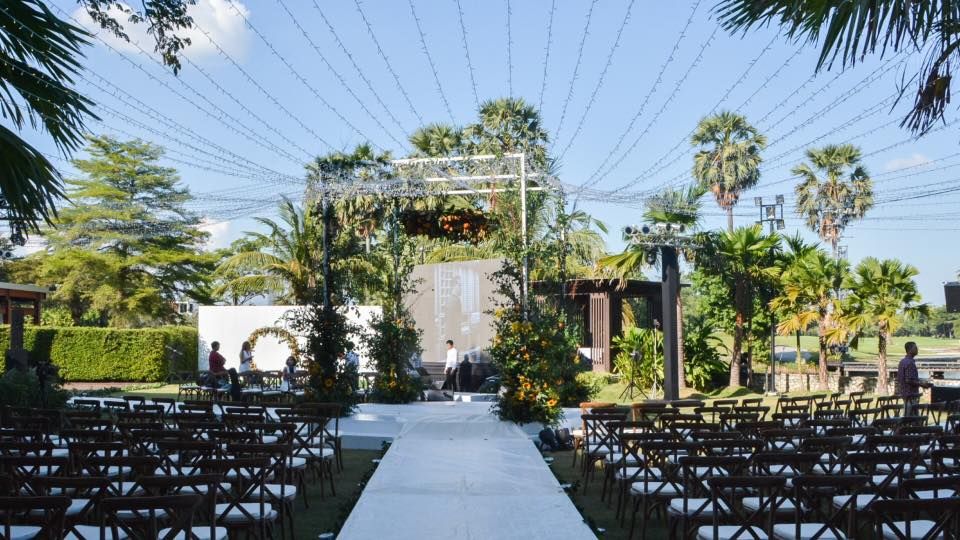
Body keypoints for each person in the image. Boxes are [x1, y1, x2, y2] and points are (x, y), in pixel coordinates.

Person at [897, 341, 932, 416]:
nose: (917, 349)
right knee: (910, 417)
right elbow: (909, 380)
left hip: (905, 393)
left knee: (911, 415)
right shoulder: (909, 363)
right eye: (915, 348)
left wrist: (920, 382)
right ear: (910, 350)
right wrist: (922, 384)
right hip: (910, 394)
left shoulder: (902, 361)